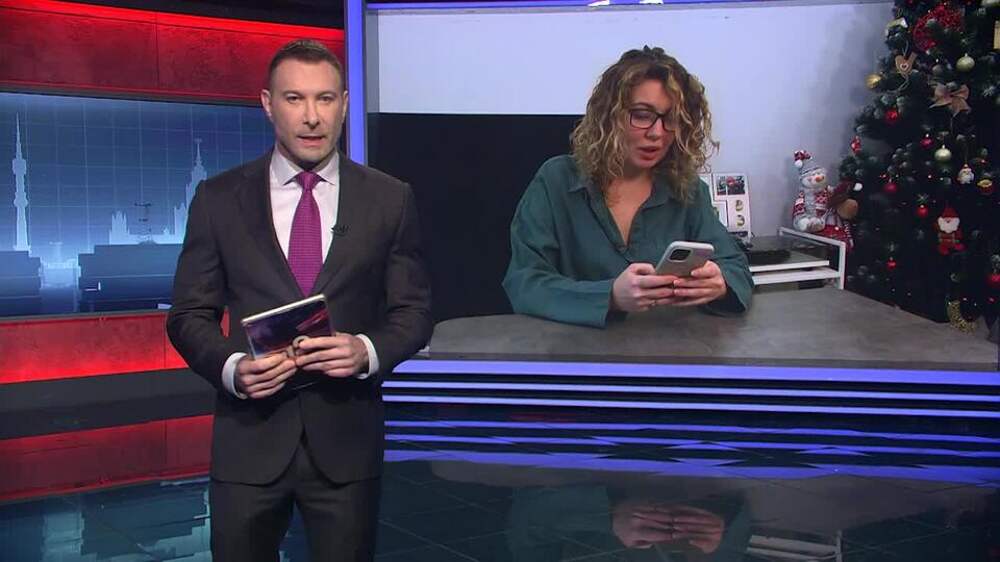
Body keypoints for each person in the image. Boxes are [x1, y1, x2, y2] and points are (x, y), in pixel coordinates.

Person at [166, 39, 432, 562]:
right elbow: (189, 315)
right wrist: (232, 368)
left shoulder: (389, 198)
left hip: (346, 444)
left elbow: (415, 312)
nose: (312, 116)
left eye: (325, 99)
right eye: (295, 99)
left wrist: (365, 350)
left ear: (344, 104)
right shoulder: (218, 199)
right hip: (248, 443)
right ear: (268, 104)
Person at [502, 47, 751, 327]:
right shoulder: (556, 180)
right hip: (574, 347)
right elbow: (525, 283)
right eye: (642, 115)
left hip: (671, 345)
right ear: (609, 116)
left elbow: (737, 268)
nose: (657, 133)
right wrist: (610, 296)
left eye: (671, 119)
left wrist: (720, 283)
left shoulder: (686, 188)